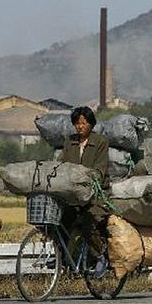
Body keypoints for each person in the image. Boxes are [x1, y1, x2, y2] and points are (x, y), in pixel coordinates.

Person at [57, 106, 110, 276]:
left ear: (91, 124)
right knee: (60, 221)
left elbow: (101, 170)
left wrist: (88, 179)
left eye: (84, 123)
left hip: (96, 195)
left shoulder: (100, 142)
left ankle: (101, 255)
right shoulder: (69, 141)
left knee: (89, 222)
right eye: (77, 123)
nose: (80, 127)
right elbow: (61, 165)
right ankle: (60, 258)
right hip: (74, 195)